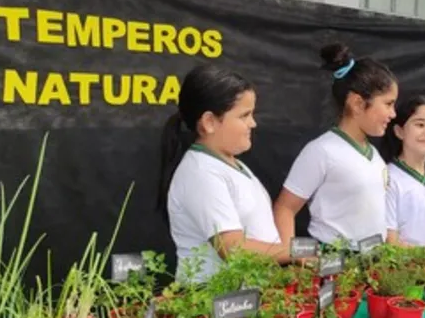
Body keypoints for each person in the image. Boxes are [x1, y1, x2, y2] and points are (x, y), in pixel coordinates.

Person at [157, 65, 289, 282]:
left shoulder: (233, 164)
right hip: (218, 305)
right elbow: (232, 249)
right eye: (244, 115)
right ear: (209, 122)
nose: (253, 123)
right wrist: (292, 253)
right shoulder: (201, 173)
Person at [273, 42, 398, 247]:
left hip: (374, 264)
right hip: (334, 265)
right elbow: (285, 208)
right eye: (388, 103)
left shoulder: (374, 155)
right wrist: (292, 257)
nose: (393, 114)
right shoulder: (321, 151)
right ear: (357, 103)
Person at [382, 96, 425, 247]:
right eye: (420, 124)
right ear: (399, 131)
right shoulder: (389, 177)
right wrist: (424, 257)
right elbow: (390, 238)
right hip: (407, 267)